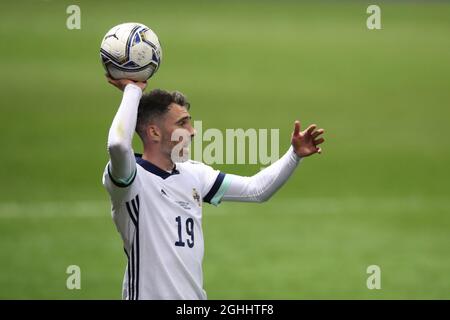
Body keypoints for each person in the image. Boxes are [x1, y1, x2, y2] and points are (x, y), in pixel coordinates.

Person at [102, 78, 325, 300]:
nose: (192, 131)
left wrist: (294, 155)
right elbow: (118, 145)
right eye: (182, 123)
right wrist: (132, 90)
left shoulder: (194, 174)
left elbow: (257, 190)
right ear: (154, 133)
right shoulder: (130, 181)